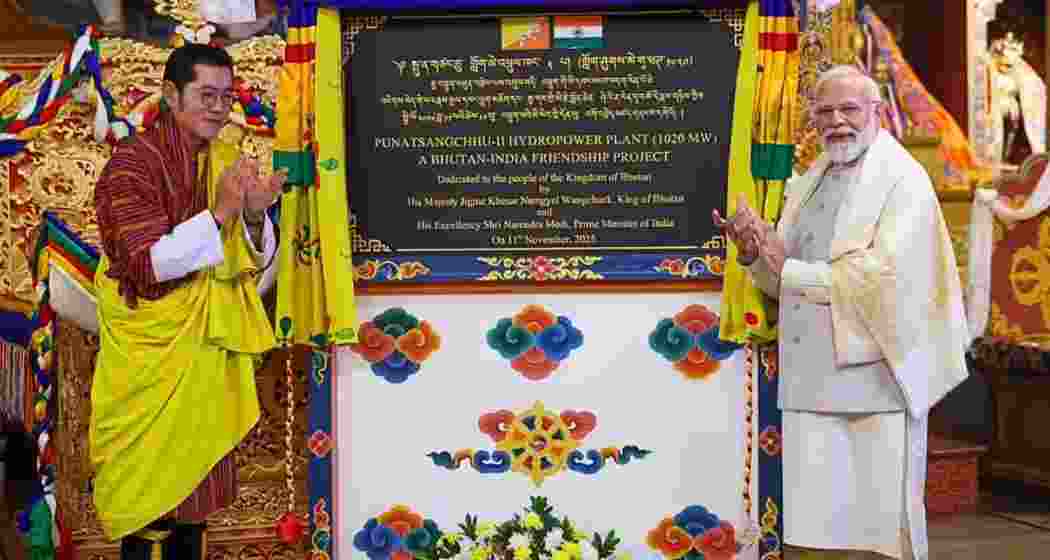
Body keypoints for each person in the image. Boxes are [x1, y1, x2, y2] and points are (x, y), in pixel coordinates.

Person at [714, 65, 970, 560]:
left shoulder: (903, 180)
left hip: (875, 384)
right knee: (813, 536)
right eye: (825, 111)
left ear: (877, 112)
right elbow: (781, 280)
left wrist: (784, 268)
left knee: (878, 539)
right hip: (809, 385)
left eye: (850, 109)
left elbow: (884, 278)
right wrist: (752, 253)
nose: (837, 121)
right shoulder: (812, 179)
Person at [90, 43, 285, 559]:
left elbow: (248, 267)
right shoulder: (132, 164)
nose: (218, 108)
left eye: (226, 96)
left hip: (203, 351)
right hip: (150, 352)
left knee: (195, 493)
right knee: (150, 494)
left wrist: (253, 216)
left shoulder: (223, 161)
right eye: (206, 95)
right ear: (171, 94)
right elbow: (145, 263)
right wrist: (221, 213)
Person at [0, 413, 35, 560]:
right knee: (23, 521)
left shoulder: (8, 445)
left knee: (12, 522)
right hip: (29, 486)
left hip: (13, 488)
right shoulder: (31, 441)